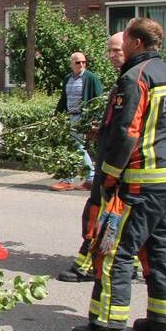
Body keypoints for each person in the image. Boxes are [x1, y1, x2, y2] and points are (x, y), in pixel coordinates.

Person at [71, 18, 166, 331]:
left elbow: (128, 133)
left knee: (114, 251)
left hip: (141, 183)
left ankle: (108, 326)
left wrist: (107, 176)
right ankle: (162, 322)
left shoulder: (136, 78)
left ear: (136, 42)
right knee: (163, 249)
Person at [58, 34, 124, 282]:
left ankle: (88, 264)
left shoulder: (133, 81)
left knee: (99, 212)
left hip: (115, 167)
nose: (111, 55)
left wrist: (111, 171)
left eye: (116, 50)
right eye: (109, 50)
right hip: (116, 162)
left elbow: (126, 129)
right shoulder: (127, 80)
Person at [50, 52, 103, 191]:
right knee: (72, 147)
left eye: (84, 62)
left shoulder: (91, 78)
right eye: (78, 62)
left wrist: (94, 119)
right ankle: (78, 179)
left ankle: (83, 178)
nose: (82, 65)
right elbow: (63, 99)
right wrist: (57, 116)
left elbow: (98, 100)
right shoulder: (68, 78)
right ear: (71, 63)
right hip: (69, 117)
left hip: (82, 118)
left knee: (76, 147)